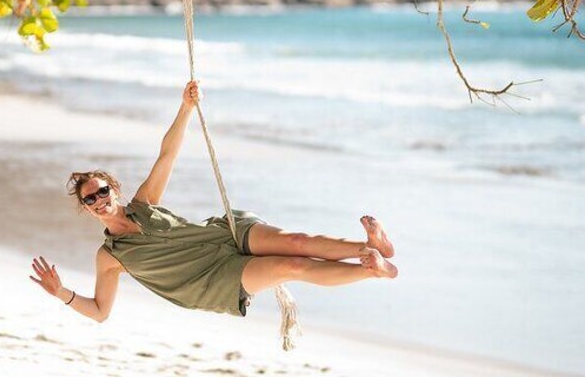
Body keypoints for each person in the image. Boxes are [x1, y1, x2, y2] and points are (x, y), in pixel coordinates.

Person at [29, 81, 397, 322]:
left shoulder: (144, 203)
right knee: (293, 265)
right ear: (86, 208)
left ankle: (371, 247)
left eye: (102, 191)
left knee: (299, 241)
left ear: (114, 189)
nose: (99, 200)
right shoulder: (109, 257)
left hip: (223, 235)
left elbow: (167, 155)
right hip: (212, 281)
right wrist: (61, 293)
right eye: (90, 198)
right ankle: (372, 270)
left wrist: (185, 108)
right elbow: (99, 312)